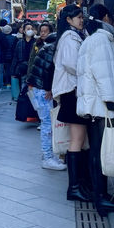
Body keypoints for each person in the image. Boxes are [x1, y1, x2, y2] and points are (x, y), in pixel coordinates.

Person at [76, 7, 114, 216]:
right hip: (102, 105)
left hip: (94, 104)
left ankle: (102, 195)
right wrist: (110, 102)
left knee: (97, 150)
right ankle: (101, 198)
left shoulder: (90, 40)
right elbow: (104, 73)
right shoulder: (101, 41)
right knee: (102, 150)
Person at [52, 5, 91, 200]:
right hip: (72, 92)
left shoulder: (73, 35)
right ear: (68, 19)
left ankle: (79, 185)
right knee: (77, 140)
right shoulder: (69, 38)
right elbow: (71, 64)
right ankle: (74, 187)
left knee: (80, 139)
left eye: (82, 17)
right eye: (77, 17)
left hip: (73, 92)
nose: (81, 20)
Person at [26, 28, 66, 170]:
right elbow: (49, 71)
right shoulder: (51, 50)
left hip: (38, 88)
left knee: (47, 123)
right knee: (47, 124)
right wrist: (48, 88)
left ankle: (50, 155)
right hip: (42, 90)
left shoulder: (45, 48)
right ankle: (47, 157)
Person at [11, 22, 36, 88]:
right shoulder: (19, 42)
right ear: (24, 31)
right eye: (28, 29)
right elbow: (15, 57)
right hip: (23, 68)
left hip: (33, 69)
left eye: (31, 29)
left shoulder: (36, 42)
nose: (30, 30)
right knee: (23, 86)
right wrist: (13, 71)